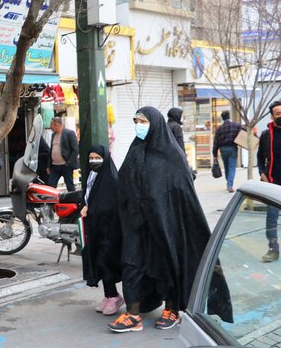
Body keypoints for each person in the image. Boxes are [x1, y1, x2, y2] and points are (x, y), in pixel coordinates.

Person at [109, 107, 210, 333]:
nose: (139, 125)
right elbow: (124, 182)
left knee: (168, 264)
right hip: (136, 224)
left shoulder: (172, 155)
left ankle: (171, 309)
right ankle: (132, 314)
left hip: (165, 225)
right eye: (136, 121)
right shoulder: (135, 150)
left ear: (155, 123)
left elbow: (181, 192)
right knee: (131, 264)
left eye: (143, 121)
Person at [80, 145, 123, 316]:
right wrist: (85, 206)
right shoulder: (92, 176)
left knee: (105, 261)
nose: (93, 161)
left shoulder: (111, 179)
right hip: (95, 227)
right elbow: (87, 197)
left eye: (97, 158)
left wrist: (91, 209)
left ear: (105, 158)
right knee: (98, 260)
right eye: (91, 158)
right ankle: (109, 295)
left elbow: (110, 205)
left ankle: (114, 297)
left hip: (109, 229)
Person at [257, 101, 281, 263]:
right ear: (272, 116)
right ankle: (273, 248)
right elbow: (259, 158)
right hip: (273, 183)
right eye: (278, 113)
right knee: (271, 218)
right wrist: (262, 174)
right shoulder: (266, 135)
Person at [212, 110, 241, 193]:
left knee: (226, 167)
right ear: (229, 116)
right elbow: (244, 132)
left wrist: (215, 154)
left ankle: (228, 183)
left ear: (222, 118)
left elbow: (216, 142)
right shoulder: (236, 126)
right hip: (232, 148)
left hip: (223, 149)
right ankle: (230, 185)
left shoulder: (219, 129)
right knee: (232, 167)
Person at [48, 117, 79, 192]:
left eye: (52, 124)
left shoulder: (69, 133)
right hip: (55, 166)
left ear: (57, 125)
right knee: (51, 186)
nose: (50, 126)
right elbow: (51, 150)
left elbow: (75, 149)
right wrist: (48, 166)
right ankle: (50, 203)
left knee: (70, 185)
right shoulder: (53, 135)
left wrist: (68, 163)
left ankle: (73, 201)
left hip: (66, 166)